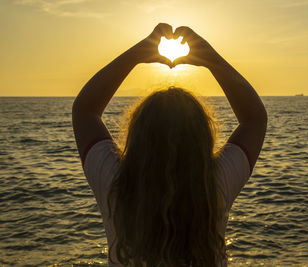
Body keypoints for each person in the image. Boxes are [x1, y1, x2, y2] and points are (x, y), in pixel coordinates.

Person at [72, 23, 267, 267]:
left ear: (137, 135)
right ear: (202, 138)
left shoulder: (115, 185)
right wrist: (210, 58)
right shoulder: (214, 186)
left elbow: (84, 111)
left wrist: (137, 53)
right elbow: (254, 119)